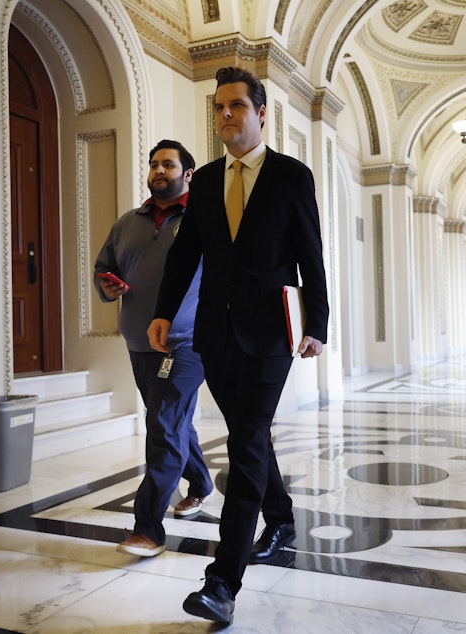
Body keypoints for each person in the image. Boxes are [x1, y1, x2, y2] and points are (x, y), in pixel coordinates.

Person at [147, 67, 329, 625]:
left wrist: (316, 323)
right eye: (219, 107)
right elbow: (185, 256)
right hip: (214, 335)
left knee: (247, 441)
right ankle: (281, 516)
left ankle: (222, 582)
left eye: (237, 106)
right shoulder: (202, 183)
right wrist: (162, 311)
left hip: (271, 334)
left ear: (261, 112)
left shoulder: (291, 176)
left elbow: (310, 255)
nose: (226, 115)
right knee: (249, 436)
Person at [94, 139, 213, 558]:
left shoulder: (203, 219)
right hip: (138, 342)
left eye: (168, 164)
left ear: (188, 173)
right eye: (154, 164)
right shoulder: (128, 222)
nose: (159, 170)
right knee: (172, 421)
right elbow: (103, 266)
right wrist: (106, 284)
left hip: (186, 343)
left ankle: (148, 528)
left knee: (163, 426)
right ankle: (200, 483)